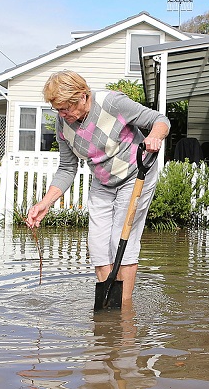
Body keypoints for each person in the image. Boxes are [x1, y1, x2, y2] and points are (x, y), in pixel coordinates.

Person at [25, 70, 170, 302]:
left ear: (83, 96)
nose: (62, 114)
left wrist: (155, 136)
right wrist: (45, 203)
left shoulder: (111, 103)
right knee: (98, 244)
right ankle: (106, 303)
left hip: (135, 174)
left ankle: (124, 307)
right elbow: (66, 168)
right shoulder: (63, 124)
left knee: (121, 239)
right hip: (103, 181)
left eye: (66, 108)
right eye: (58, 109)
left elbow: (160, 120)